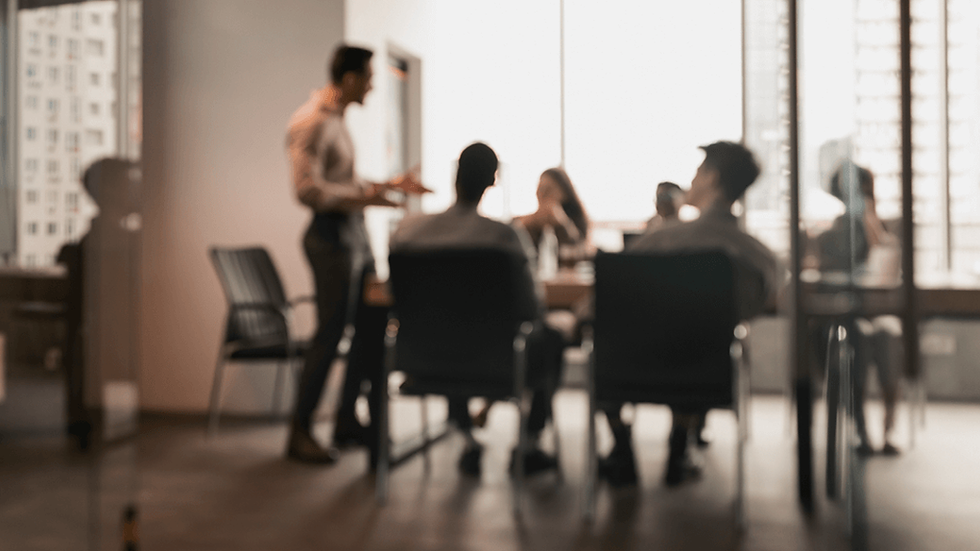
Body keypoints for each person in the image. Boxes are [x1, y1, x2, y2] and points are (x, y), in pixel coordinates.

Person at [599, 141, 779, 487]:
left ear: (711, 177)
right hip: (707, 373)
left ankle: (622, 445)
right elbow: (755, 306)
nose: (692, 181)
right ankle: (680, 443)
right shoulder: (760, 258)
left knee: (603, 337)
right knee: (697, 339)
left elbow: (604, 299)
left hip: (629, 368)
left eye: (697, 173)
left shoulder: (660, 239)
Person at [284, 44, 428, 464]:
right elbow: (307, 191)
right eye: (368, 77)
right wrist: (368, 198)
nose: (372, 85)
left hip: (354, 238)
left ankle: (347, 419)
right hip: (330, 240)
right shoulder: (310, 123)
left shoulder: (337, 122)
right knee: (329, 335)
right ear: (349, 78)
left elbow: (343, 179)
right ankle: (300, 431)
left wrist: (387, 187)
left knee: (369, 329)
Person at [390, 143, 564, 477]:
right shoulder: (504, 238)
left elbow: (396, 300)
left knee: (451, 332)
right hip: (498, 362)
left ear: (455, 177)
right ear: (492, 181)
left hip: (424, 360)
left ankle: (467, 438)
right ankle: (528, 445)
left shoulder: (408, 234)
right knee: (551, 338)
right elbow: (531, 308)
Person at [812, 161, 902, 456]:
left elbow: (888, 265)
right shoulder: (832, 232)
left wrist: (870, 220)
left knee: (887, 336)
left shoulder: (880, 228)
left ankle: (888, 430)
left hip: (878, 312)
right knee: (856, 341)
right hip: (848, 315)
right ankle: (860, 429)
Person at [514, 167, 590, 258]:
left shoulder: (577, 221)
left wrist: (563, 224)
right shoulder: (523, 222)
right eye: (539, 188)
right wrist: (525, 227)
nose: (542, 194)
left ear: (564, 193)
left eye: (548, 190)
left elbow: (581, 252)